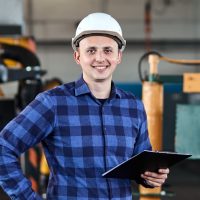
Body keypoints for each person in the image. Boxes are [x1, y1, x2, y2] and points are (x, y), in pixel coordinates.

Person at [0, 12, 169, 200]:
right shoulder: (53, 103)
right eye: (91, 50)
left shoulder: (133, 107)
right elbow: (3, 147)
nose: (99, 58)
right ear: (77, 56)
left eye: (107, 50)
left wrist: (151, 176)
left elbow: (140, 165)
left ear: (118, 56)